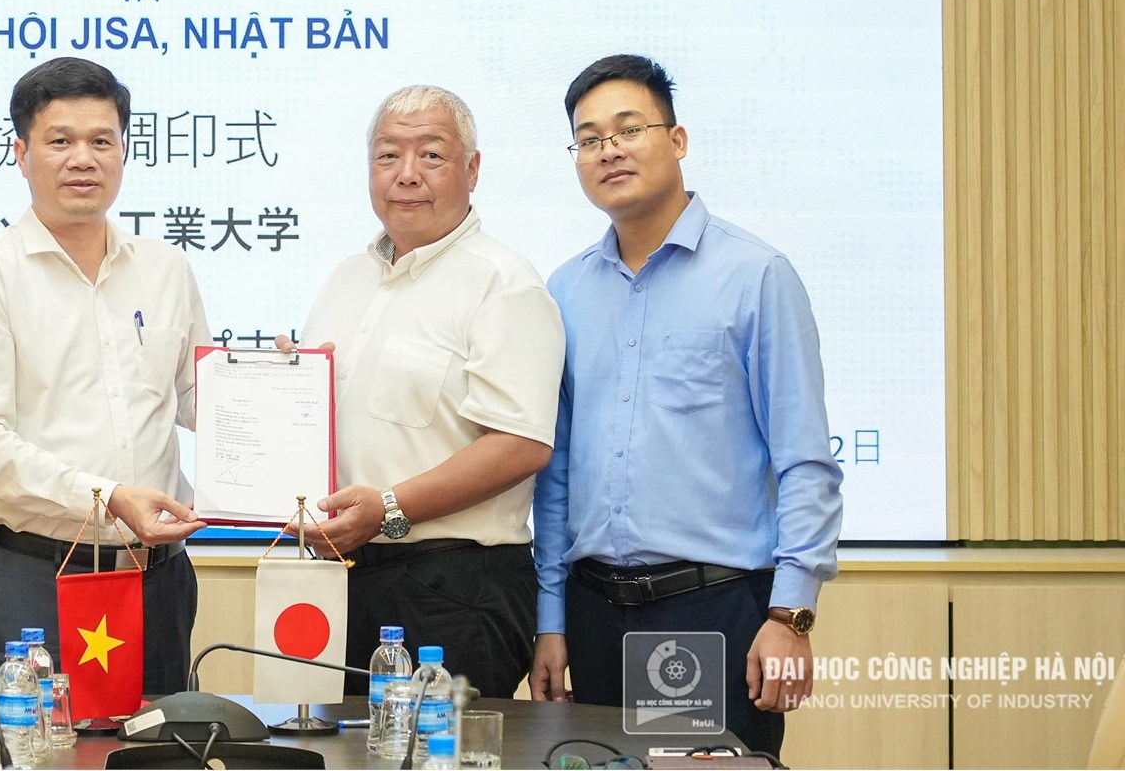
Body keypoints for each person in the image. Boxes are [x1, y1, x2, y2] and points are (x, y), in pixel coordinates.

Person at [530, 55, 843, 758]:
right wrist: (551, 619)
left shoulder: (755, 276)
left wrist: (790, 616)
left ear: (676, 140)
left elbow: (804, 461)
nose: (608, 150)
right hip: (592, 613)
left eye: (628, 129)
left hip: (709, 610)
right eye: (588, 138)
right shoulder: (565, 290)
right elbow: (555, 475)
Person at [0, 57, 210, 694]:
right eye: (60, 141)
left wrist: (282, 390)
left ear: (124, 150)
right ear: (21, 153)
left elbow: (196, 398)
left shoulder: (166, 268)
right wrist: (107, 496)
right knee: (35, 745)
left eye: (101, 141)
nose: (82, 158)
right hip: (39, 580)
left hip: (159, 580)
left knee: (158, 743)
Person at [290, 85, 565, 698]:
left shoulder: (504, 284)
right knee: (348, 748)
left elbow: (521, 443)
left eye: (431, 155)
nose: (407, 174)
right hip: (346, 576)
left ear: (473, 169)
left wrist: (388, 508)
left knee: (438, 750)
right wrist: (284, 389)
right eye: (388, 155)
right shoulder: (346, 279)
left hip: (455, 587)